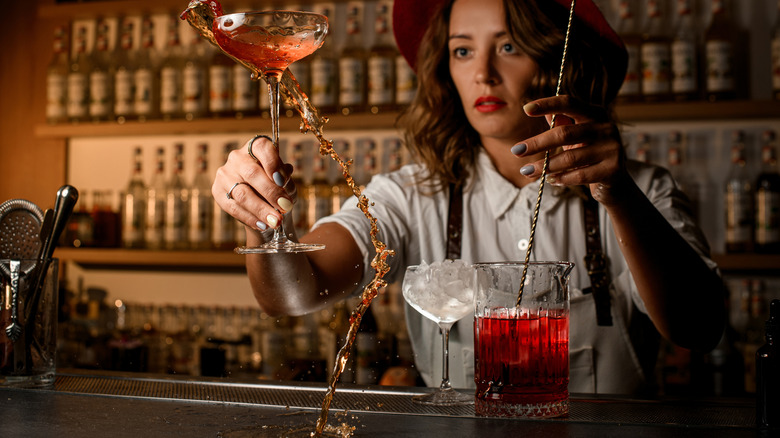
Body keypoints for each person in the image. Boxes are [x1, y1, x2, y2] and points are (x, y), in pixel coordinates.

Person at [212, 0, 726, 395]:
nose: (483, 72)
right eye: (462, 50)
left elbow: (700, 328)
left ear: (556, 59)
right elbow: (293, 295)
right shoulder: (409, 196)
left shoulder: (642, 190)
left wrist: (619, 195)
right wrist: (261, 217)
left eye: (509, 46)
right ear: (445, 68)